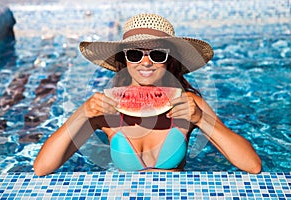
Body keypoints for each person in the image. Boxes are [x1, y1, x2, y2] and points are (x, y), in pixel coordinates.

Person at [33, 13, 261, 176]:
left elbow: (252, 165)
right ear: (124, 60)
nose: (146, 62)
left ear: (170, 59)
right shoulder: (105, 108)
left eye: (158, 54)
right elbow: (42, 168)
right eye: (134, 54)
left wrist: (201, 119)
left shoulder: (189, 105)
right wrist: (81, 114)